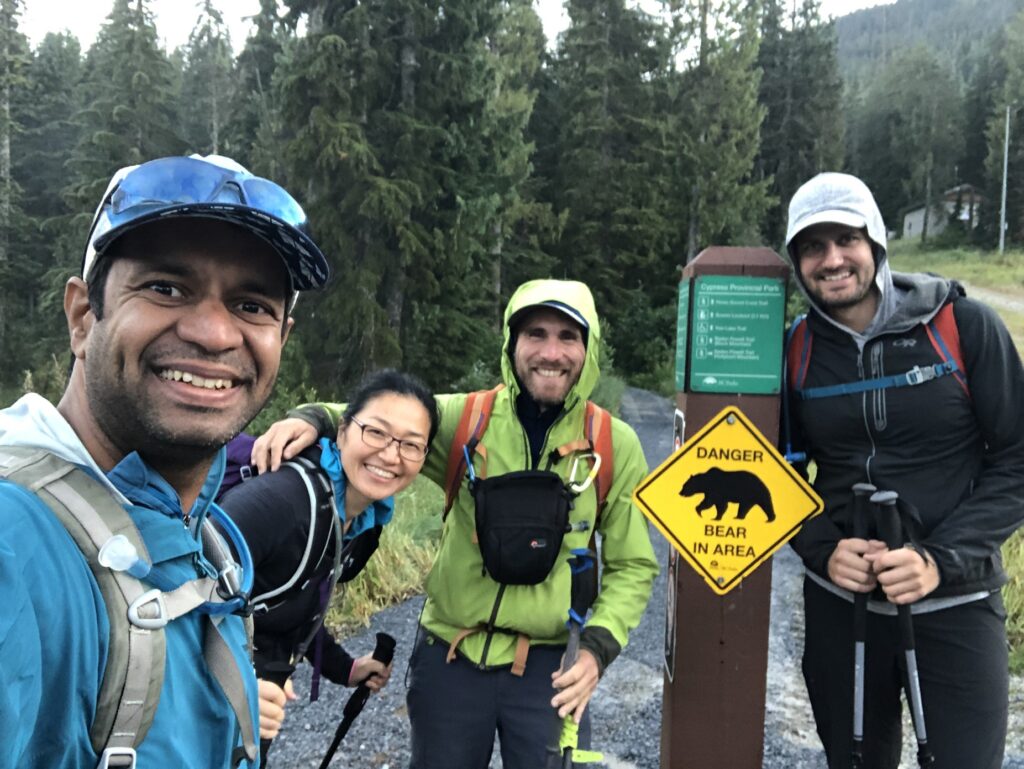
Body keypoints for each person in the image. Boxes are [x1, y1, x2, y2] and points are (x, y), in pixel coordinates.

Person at [0, 153, 329, 768]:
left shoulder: (212, 540)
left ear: (280, 338)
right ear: (82, 316)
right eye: (166, 287)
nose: (213, 333)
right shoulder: (15, 549)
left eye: (252, 304)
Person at [251, 278, 659, 769]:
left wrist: (597, 648)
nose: (551, 352)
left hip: (554, 667)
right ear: (512, 345)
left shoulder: (613, 444)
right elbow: (376, 417)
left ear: (588, 349)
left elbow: (633, 565)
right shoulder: (467, 418)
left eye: (568, 337)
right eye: (536, 334)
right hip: (449, 658)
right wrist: (310, 417)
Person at [783, 172, 1024, 769]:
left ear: (877, 244)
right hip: (844, 606)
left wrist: (939, 560)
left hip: (956, 604)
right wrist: (820, 548)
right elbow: (772, 470)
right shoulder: (796, 350)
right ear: (796, 261)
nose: (832, 259)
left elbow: (1018, 458)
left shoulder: (961, 326)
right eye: (813, 246)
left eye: (847, 239)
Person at [217, 369, 438, 764]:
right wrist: (232, 683)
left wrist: (345, 668)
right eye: (376, 432)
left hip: (253, 706)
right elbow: (172, 594)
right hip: (201, 705)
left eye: (411, 445)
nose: (390, 455)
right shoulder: (282, 500)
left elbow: (294, 601)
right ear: (340, 432)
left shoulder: (364, 522)